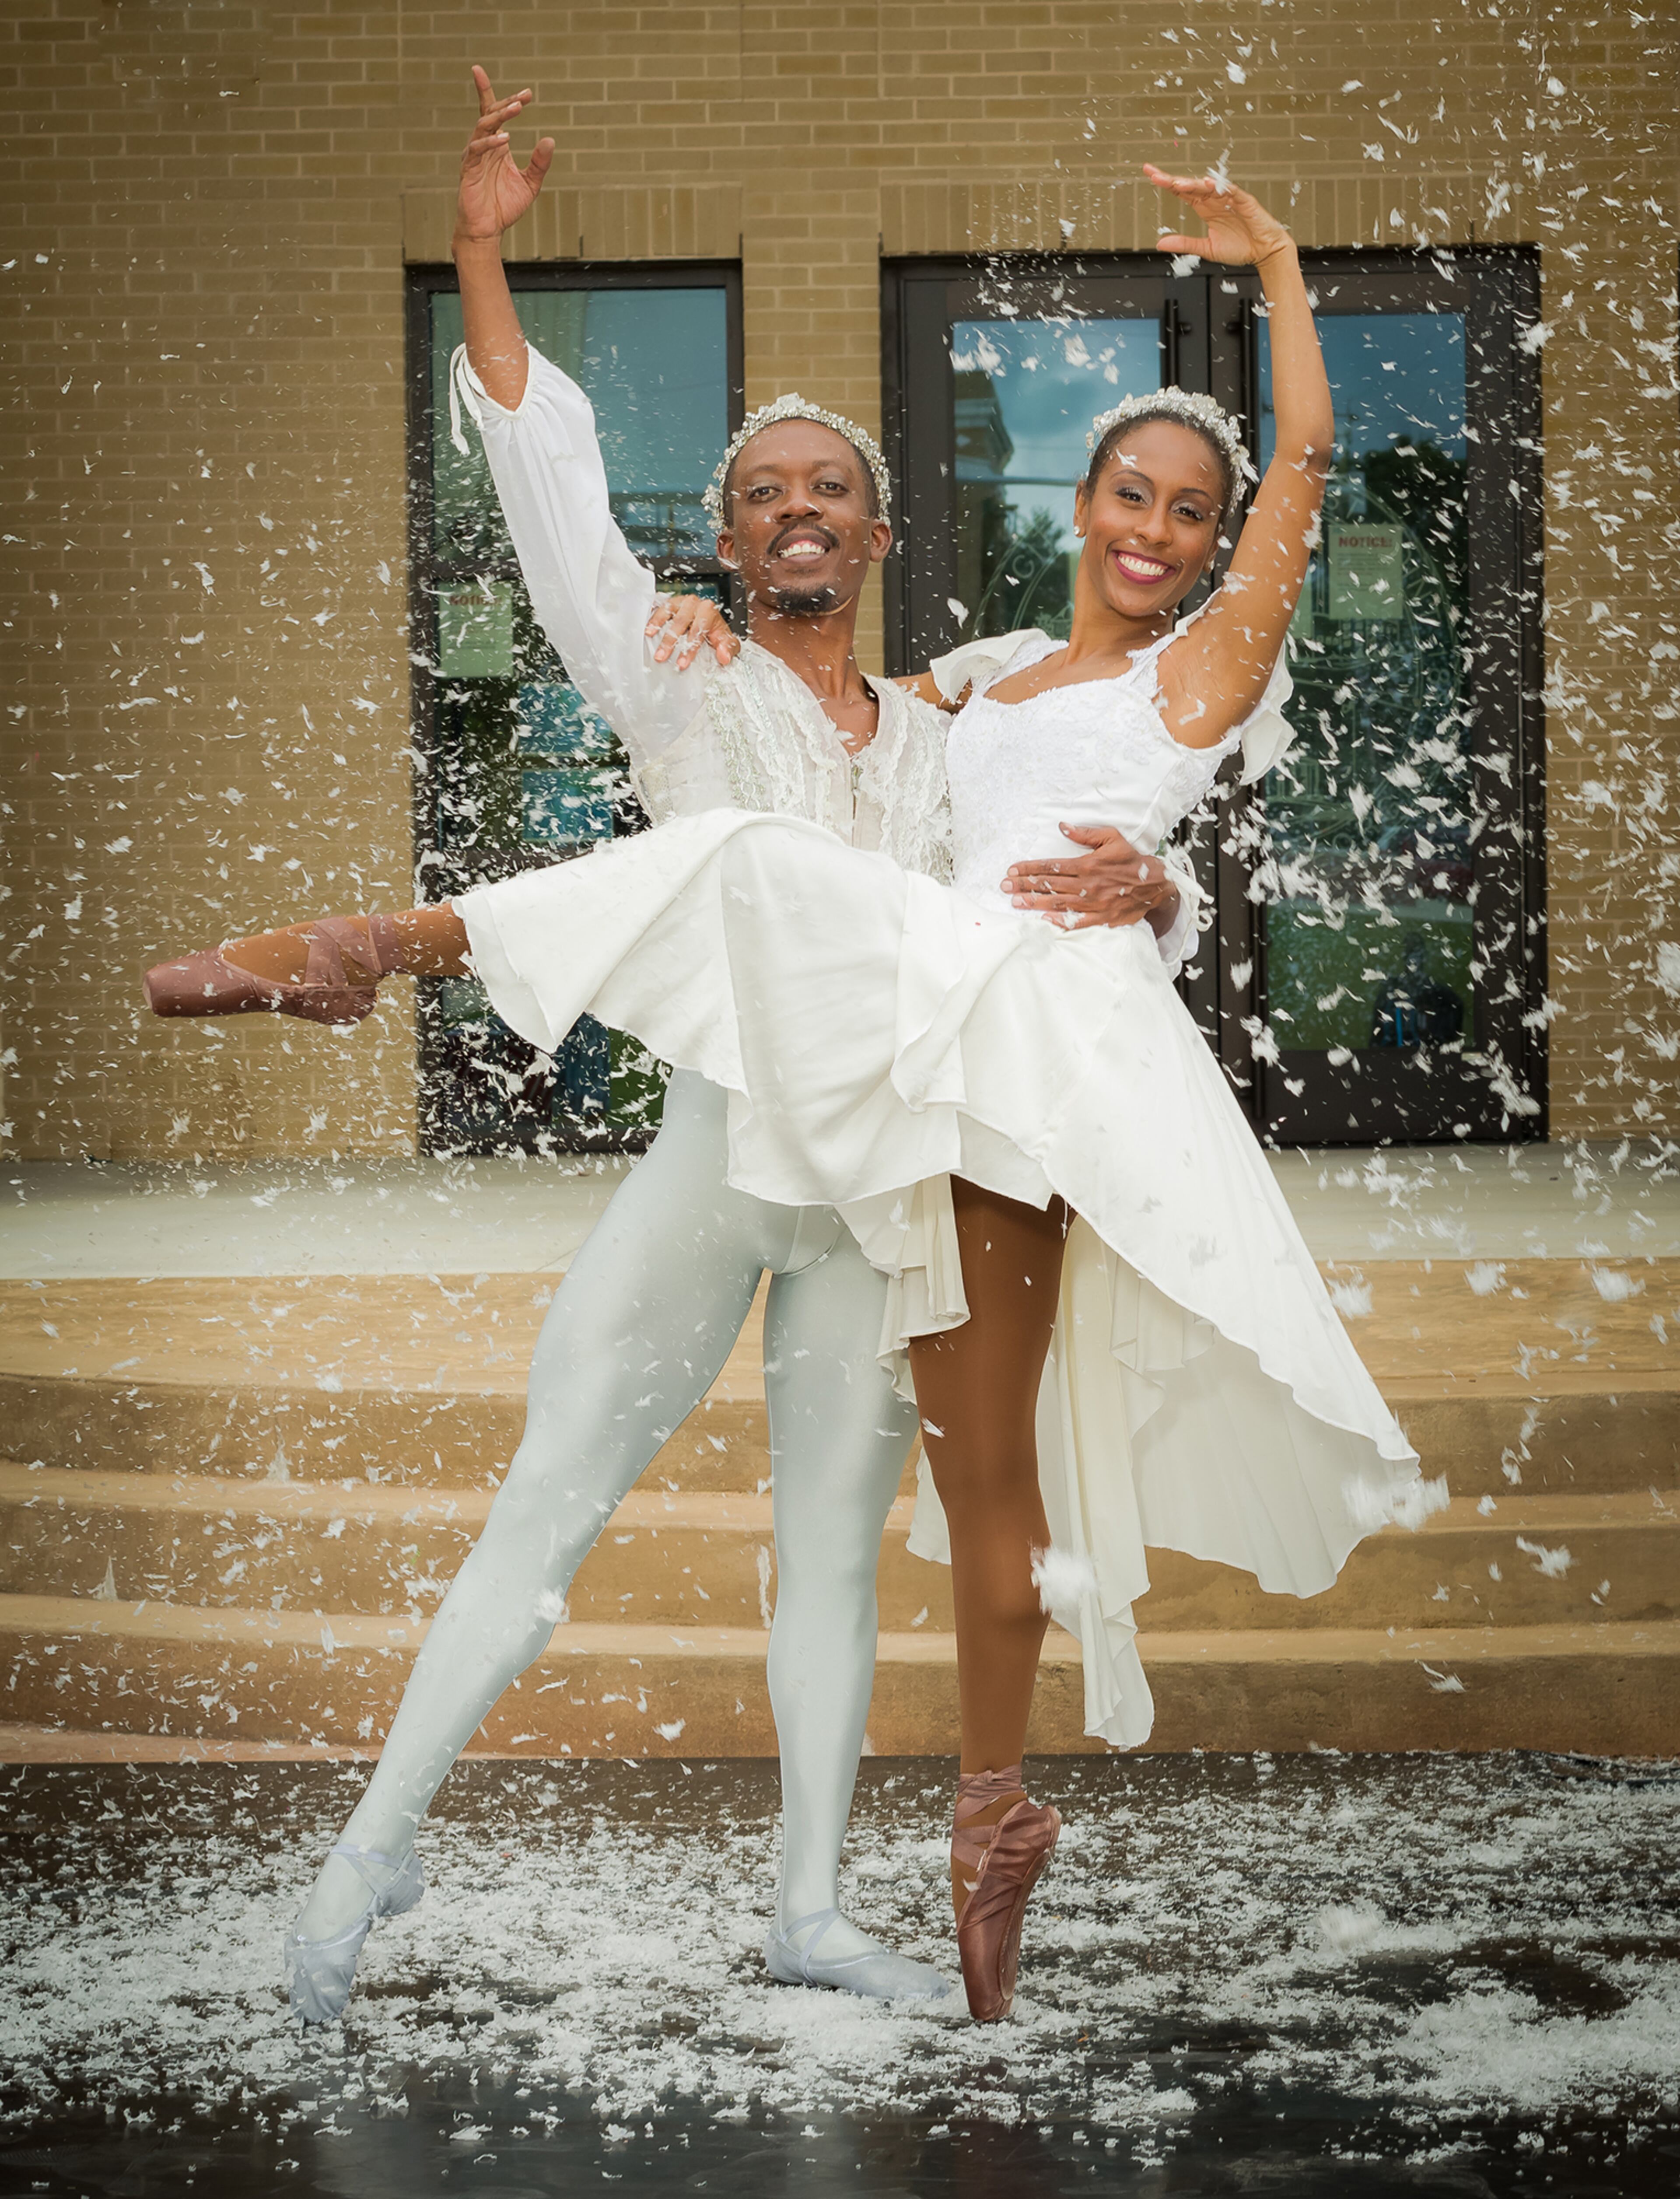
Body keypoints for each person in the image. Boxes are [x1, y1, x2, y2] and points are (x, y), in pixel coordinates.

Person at [144, 70, 1204, 2024]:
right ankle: (368, 1853)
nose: (797, 506)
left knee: (835, 1557)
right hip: (716, 1163)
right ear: (724, 539)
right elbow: (551, 497)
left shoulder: (955, 723)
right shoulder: (672, 674)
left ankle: (809, 1908)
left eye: (828, 489)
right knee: (547, 1503)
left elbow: (1104, 816)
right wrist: (480, 254)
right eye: (762, 491)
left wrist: (1162, 895)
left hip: (880, 1197)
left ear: (877, 531)